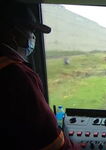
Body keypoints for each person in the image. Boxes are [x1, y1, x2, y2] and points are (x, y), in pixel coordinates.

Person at [0, 2, 79, 150]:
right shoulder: (17, 75)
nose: (33, 37)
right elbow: (53, 143)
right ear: (13, 34)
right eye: (31, 31)